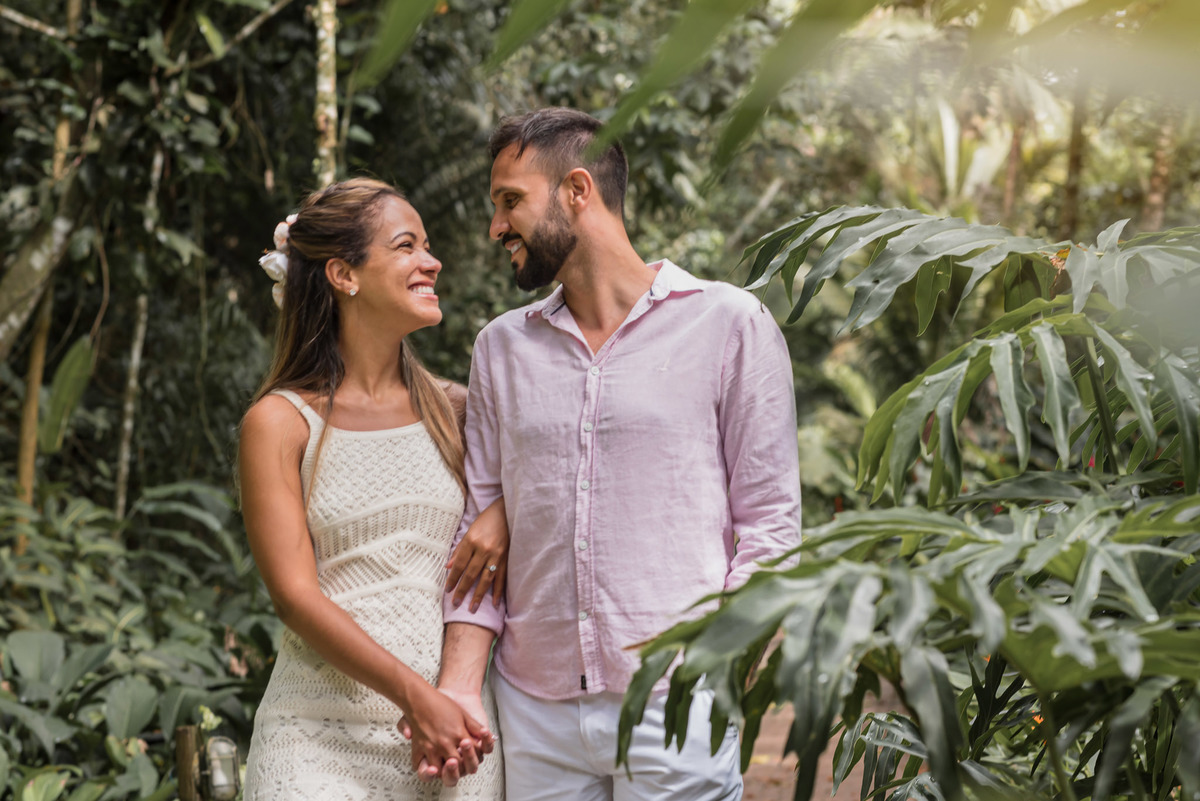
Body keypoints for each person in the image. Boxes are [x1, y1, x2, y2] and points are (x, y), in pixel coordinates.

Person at [413, 109, 802, 799]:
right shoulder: (500, 348)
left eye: (510, 201)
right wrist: (461, 687)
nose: (496, 226)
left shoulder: (730, 324)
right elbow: (478, 545)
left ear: (577, 190)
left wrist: (717, 667)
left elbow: (771, 525)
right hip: (534, 711)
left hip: (675, 700)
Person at [239, 178, 505, 799]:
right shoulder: (279, 424)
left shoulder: (457, 410)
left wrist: (506, 516)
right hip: (314, 741)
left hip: (454, 742)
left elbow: (559, 493)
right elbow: (296, 598)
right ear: (343, 274)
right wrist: (416, 698)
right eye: (407, 246)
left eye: (428, 245)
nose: (432, 261)